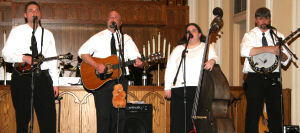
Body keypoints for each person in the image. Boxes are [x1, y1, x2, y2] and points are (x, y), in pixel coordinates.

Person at [78, 10, 143, 133]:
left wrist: (140, 63)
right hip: (101, 82)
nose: (113, 19)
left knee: (120, 117)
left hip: (120, 82)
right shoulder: (98, 37)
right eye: (110, 17)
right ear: (107, 21)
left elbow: (137, 58)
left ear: (120, 22)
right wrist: (96, 65)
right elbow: (82, 52)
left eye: (116, 17)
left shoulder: (126, 39)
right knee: (103, 117)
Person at [2, 1, 59, 133]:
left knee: (48, 118)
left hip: (43, 77)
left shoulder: (48, 34)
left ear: (40, 14)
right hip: (22, 77)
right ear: (25, 15)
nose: (34, 13)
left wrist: (55, 83)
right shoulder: (16, 31)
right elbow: (5, 54)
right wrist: (23, 58)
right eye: (31, 10)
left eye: (37, 10)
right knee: (22, 118)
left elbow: (53, 61)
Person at [241, 7, 291, 133]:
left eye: (266, 18)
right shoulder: (249, 35)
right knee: (253, 113)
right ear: (256, 20)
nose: (264, 21)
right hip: (255, 77)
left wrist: (280, 53)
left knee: (276, 114)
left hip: (273, 76)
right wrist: (270, 49)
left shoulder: (278, 36)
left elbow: (287, 59)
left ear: (269, 19)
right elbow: (245, 51)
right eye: (260, 18)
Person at [164, 23, 217, 133]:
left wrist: (212, 61)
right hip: (178, 89)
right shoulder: (178, 49)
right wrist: (167, 87)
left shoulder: (206, 46)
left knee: (196, 123)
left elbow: (214, 57)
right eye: (188, 31)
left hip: (198, 90)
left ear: (199, 34)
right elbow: (170, 68)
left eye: (193, 30)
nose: (190, 33)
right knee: (178, 121)